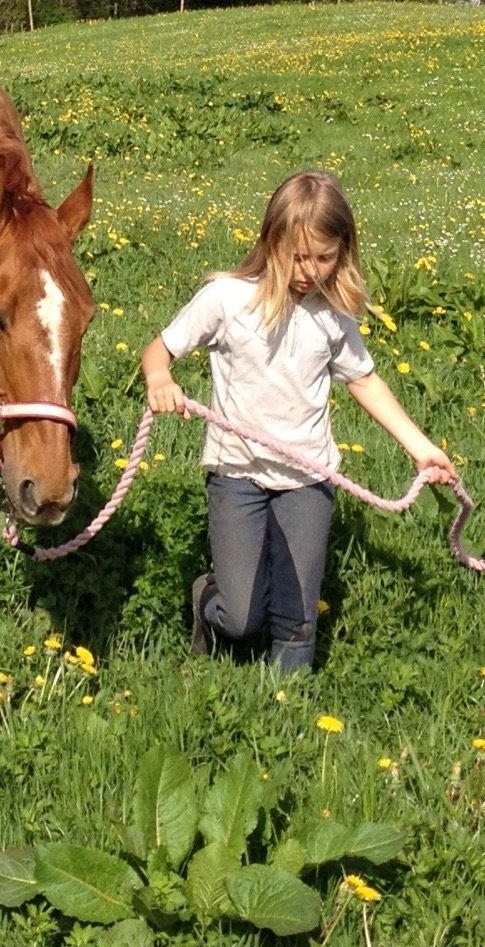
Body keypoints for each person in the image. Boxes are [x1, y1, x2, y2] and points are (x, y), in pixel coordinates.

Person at [139, 171, 457, 671]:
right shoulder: (227, 299)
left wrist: (421, 448)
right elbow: (159, 350)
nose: (310, 271)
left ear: (343, 251)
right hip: (237, 474)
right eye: (298, 256)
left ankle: (291, 716)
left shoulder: (333, 314)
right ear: (271, 242)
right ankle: (208, 602)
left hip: (308, 477)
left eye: (324, 257)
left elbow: (366, 382)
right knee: (243, 616)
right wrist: (160, 379)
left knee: (297, 617)